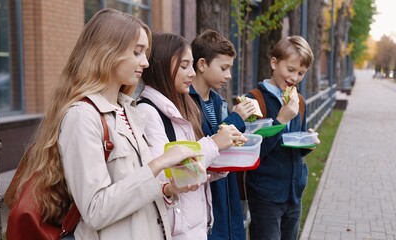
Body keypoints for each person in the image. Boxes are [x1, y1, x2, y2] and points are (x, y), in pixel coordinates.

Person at [5, 9, 203, 239]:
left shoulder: (127, 110)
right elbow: (95, 210)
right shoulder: (82, 116)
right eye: (137, 52)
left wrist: (166, 190)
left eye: (145, 53)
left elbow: (132, 194)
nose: (146, 62)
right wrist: (158, 164)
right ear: (108, 52)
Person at [136, 32, 247, 239]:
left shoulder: (181, 106)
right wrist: (214, 144)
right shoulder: (148, 112)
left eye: (191, 65)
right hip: (178, 229)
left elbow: (191, 170)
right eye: (184, 65)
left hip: (196, 225)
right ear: (162, 66)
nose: (192, 73)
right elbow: (164, 176)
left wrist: (220, 166)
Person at [245, 35, 320, 240]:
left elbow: (294, 143)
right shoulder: (254, 101)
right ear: (274, 63)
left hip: (294, 194)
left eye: (301, 73)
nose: (295, 78)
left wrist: (308, 141)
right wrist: (280, 120)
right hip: (265, 195)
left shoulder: (299, 101)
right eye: (291, 69)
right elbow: (254, 152)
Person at [189, 29, 256, 240]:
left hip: (227, 191)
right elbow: (206, 143)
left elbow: (225, 143)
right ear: (202, 65)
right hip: (206, 195)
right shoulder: (187, 104)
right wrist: (236, 119)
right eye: (224, 68)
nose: (228, 75)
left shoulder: (219, 102)